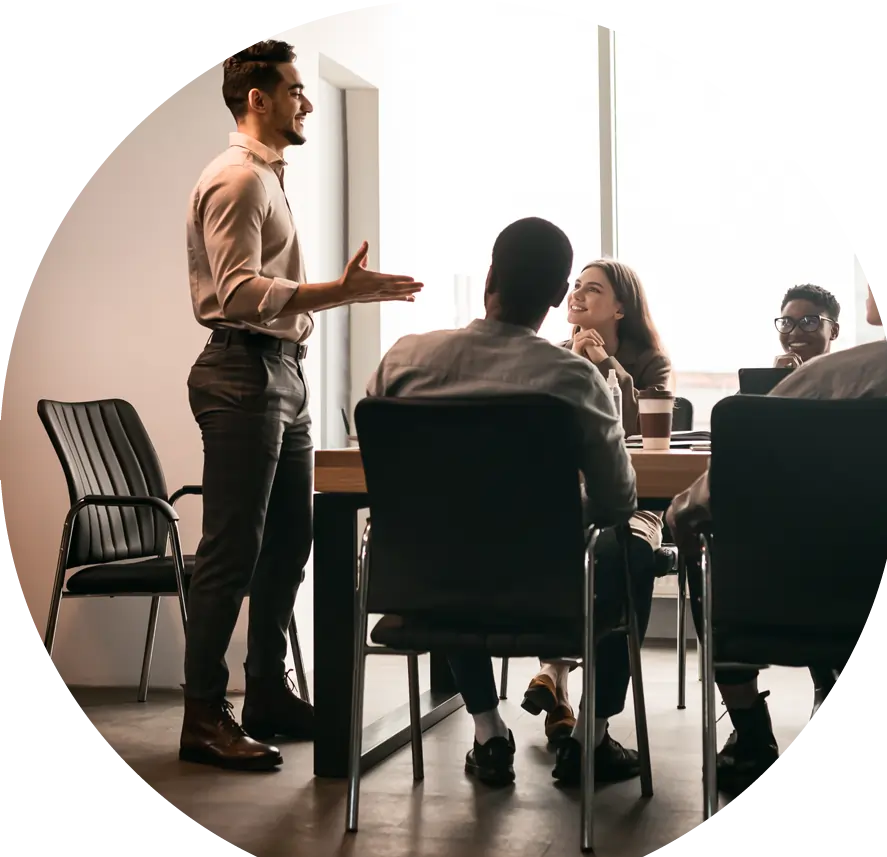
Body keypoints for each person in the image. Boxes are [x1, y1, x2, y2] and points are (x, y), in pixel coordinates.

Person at [179, 40, 423, 773]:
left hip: (281, 372)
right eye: (293, 89)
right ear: (258, 98)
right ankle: (202, 716)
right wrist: (341, 293)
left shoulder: (267, 179)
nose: (305, 100)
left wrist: (335, 298)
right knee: (231, 551)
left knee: (290, 540)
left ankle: (266, 696)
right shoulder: (238, 182)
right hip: (242, 373)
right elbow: (239, 292)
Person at [367, 218, 657, 789]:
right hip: (546, 592)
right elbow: (617, 499)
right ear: (556, 297)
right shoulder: (574, 378)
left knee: (454, 545)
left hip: (429, 586)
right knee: (633, 546)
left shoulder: (403, 361)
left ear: (490, 276)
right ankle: (590, 738)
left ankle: (487, 733)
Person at [666, 282, 887, 799]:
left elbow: (726, 478)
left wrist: (682, 511)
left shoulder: (827, 379)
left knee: (708, 550)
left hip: (790, 595)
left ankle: (750, 734)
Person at [523, 259, 672, 745]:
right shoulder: (550, 356)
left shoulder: (651, 363)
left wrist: (607, 368)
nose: (577, 296)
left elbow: (637, 434)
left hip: (632, 502)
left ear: (621, 307)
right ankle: (563, 689)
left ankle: (562, 680)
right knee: (571, 549)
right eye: (574, 288)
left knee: (619, 551)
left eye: (592, 290)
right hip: (564, 505)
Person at [773, 283, 841, 369]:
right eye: (786, 323)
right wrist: (775, 378)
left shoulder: (851, 379)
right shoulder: (769, 380)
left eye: (809, 322)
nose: (795, 333)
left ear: (834, 331)